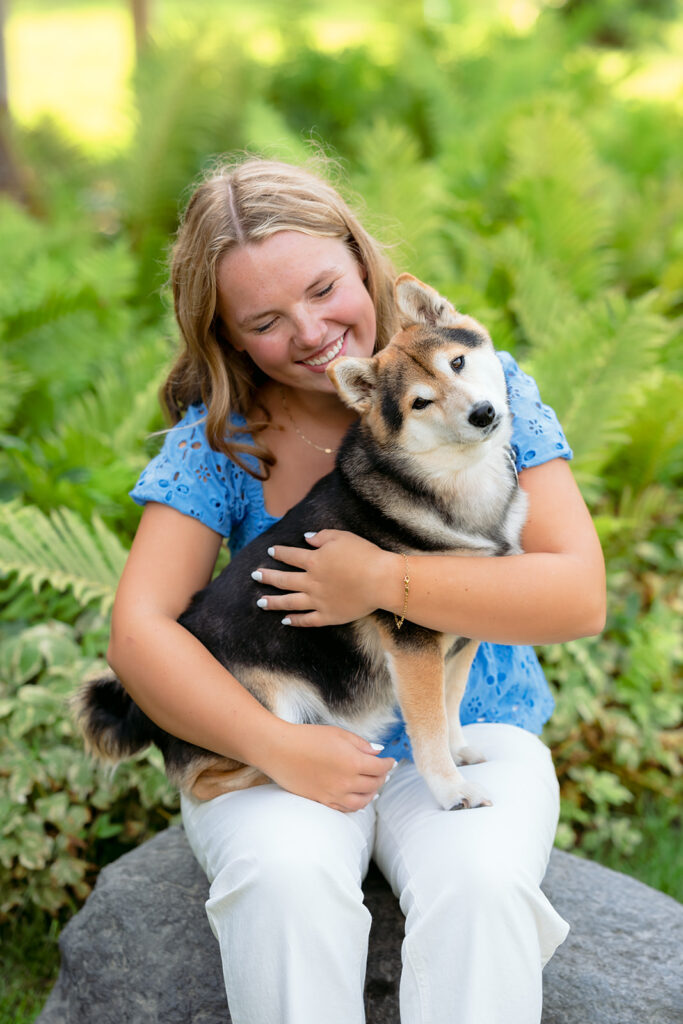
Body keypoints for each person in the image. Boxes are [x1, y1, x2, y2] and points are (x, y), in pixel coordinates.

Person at [107, 156, 606, 1024]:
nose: (307, 330)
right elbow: (139, 634)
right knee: (281, 881)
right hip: (281, 753)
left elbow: (576, 597)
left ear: (359, 254)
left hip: (472, 730)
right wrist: (275, 746)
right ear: (225, 336)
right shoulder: (221, 443)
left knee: (484, 887)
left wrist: (385, 579)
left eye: (323, 287)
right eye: (264, 319)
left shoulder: (484, 388)